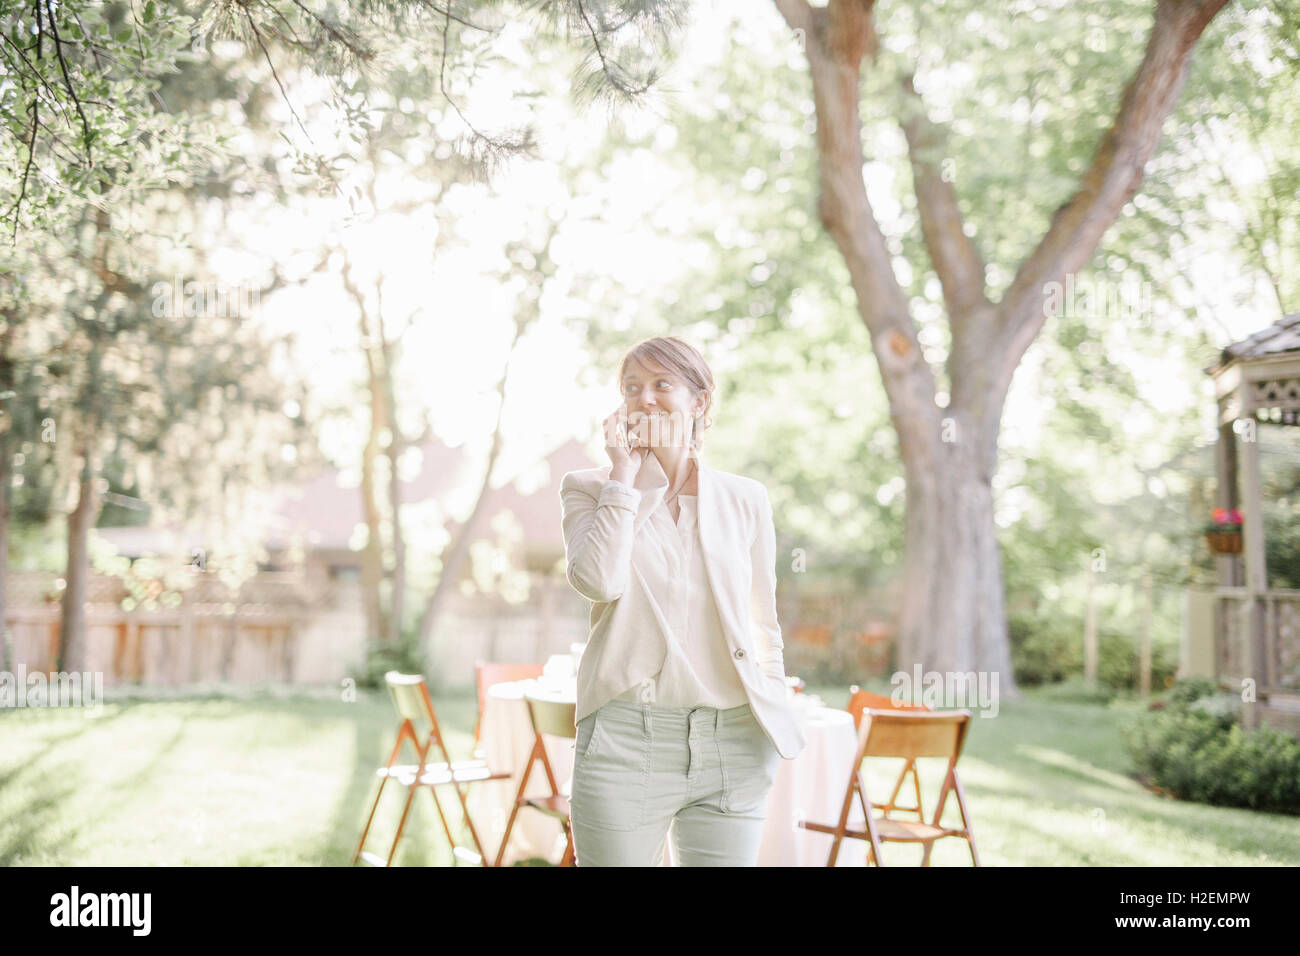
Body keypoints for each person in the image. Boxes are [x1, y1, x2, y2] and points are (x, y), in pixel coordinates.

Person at [558, 335, 807, 866]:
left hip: (734, 742)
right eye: (631, 388)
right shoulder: (590, 488)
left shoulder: (745, 499)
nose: (644, 398)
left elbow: (764, 622)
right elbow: (598, 581)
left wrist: (772, 701)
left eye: (661, 384)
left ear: (699, 401)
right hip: (625, 740)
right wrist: (625, 476)